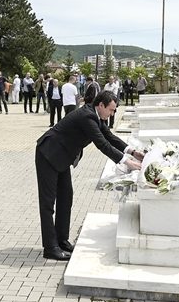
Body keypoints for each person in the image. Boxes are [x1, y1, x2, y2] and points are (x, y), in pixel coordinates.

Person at [34, 91, 143, 261]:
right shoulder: (88, 117)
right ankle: (50, 247)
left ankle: (62, 240)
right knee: (48, 203)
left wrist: (134, 152)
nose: (112, 114)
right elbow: (102, 144)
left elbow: (110, 137)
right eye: (111, 110)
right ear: (101, 105)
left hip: (61, 157)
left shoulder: (96, 116)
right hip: (48, 154)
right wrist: (127, 162)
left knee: (66, 197)